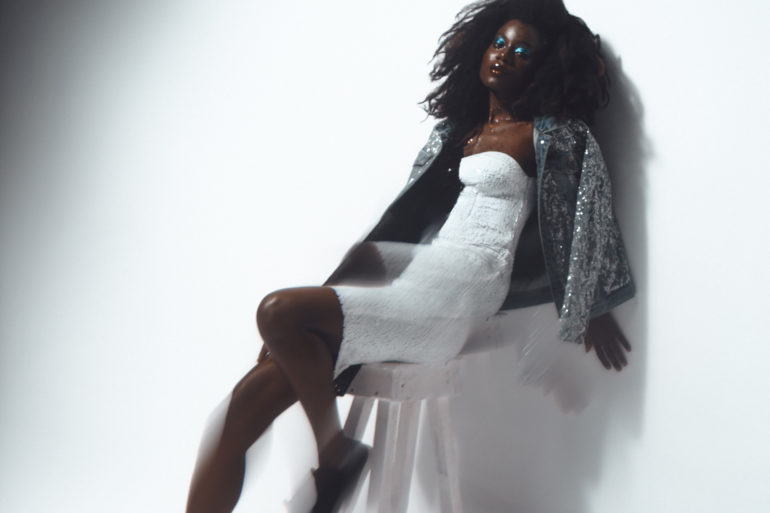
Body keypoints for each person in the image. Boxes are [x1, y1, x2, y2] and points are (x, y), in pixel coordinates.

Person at [185, 1, 634, 512]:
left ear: (544, 66)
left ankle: (335, 457)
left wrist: (594, 303)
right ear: (481, 48)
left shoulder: (550, 136)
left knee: (276, 311)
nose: (505, 56)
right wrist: (321, 305)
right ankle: (334, 455)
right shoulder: (455, 137)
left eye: (523, 51)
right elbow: (396, 227)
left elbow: (587, 211)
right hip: (418, 282)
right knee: (236, 414)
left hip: (461, 292)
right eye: (499, 43)